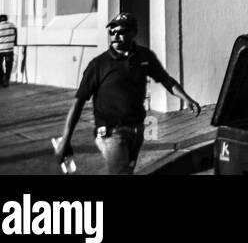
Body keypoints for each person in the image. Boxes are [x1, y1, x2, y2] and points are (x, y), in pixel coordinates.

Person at [54, 13, 202, 174]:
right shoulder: (98, 65)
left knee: (126, 171)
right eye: (112, 31)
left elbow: (165, 79)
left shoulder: (144, 56)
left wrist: (187, 99)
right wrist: (66, 140)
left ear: (133, 32)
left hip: (137, 130)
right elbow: (78, 102)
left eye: (121, 31)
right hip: (111, 133)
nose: (115, 35)